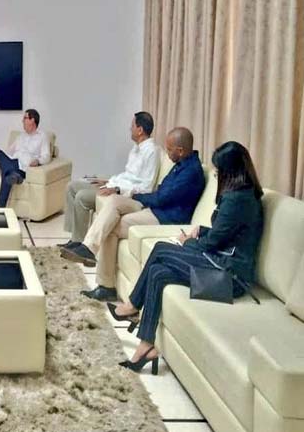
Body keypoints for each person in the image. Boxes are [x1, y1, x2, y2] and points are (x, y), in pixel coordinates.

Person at [109, 141, 264, 374]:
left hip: (229, 277)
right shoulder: (244, 194)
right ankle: (146, 345)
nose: (216, 175)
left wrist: (187, 241)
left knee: (161, 249)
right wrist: (201, 231)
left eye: (218, 171)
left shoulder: (237, 200)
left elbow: (212, 244)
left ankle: (132, 306)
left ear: (230, 172)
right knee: (158, 272)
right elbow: (228, 234)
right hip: (221, 263)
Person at [63, 127, 205, 302]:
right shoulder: (181, 164)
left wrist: (135, 196)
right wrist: (127, 194)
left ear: (180, 150)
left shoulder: (191, 172)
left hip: (165, 218)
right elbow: (162, 192)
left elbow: (162, 198)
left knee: (111, 226)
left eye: (169, 150)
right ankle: (88, 248)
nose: (167, 154)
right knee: (114, 201)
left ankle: (106, 286)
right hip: (154, 207)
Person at [60, 112, 159, 245]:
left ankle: (78, 242)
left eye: (132, 126)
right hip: (115, 185)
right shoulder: (136, 148)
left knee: (82, 197)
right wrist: (109, 181)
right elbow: (128, 175)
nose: (130, 129)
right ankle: (73, 237)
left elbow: (146, 187)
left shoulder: (151, 151)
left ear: (140, 130)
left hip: (124, 194)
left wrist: (117, 189)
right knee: (71, 186)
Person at [0, 108, 50, 207]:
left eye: (25, 118)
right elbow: (7, 153)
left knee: (6, 175)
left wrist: (38, 161)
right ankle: (12, 174)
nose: (22, 121)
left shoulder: (42, 136)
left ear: (32, 120)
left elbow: (46, 156)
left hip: (23, 168)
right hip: (12, 163)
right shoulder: (20, 136)